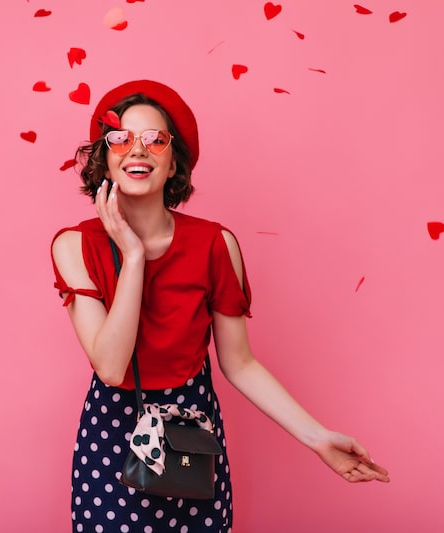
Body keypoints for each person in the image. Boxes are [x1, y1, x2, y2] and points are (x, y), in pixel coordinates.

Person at [50, 80, 389, 533]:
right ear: (105, 160)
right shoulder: (74, 246)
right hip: (113, 441)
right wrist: (132, 257)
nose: (138, 150)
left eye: (155, 140)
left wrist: (318, 438)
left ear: (174, 164)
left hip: (193, 440)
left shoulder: (214, 244)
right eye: (121, 138)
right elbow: (111, 367)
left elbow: (241, 363)